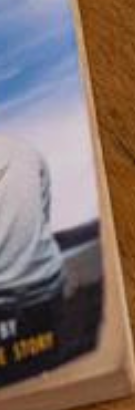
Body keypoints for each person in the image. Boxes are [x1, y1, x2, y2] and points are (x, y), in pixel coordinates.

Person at [0, 134, 65, 382]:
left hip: (8, 299)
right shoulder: (27, 151)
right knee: (45, 365)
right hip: (48, 283)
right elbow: (43, 220)